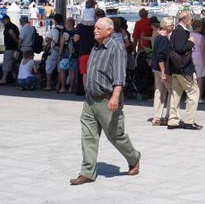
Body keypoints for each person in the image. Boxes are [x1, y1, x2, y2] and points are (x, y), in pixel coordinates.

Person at [70, 18, 141, 185]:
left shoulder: (116, 48)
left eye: (98, 28)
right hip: (90, 100)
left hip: (107, 99)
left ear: (109, 31)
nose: (94, 30)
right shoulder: (95, 46)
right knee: (88, 135)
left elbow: (119, 77)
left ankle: (134, 157)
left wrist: (115, 97)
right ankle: (87, 171)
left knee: (115, 136)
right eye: (94, 27)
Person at [167, 11, 201, 130]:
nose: (192, 22)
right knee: (193, 92)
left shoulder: (175, 31)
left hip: (176, 68)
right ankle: (189, 121)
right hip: (183, 69)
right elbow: (180, 48)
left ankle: (173, 120)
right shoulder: (181, 32)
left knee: (176, 94)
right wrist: (191, 42)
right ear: (186, 20)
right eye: (191, 20)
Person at [150, 17, 174, 126]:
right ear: (166, 26)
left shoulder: (157, 36)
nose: (173, 27)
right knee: (172, 91)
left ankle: (156, 117)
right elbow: (161, 57)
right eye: (171, 25)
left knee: (159, 92)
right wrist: (164, 72)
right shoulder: (164, 39)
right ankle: (169, 116)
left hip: (155, 68)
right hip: (162, 69)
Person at [0, 15, 20, 85]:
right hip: (15, 48)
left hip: (10, 48)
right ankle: (14, 77)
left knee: (7, 62)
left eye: (3, 20)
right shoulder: (14, 26)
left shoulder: (9, 26)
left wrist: (16, 40)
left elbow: (11, 32)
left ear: (6, 19)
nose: (2, 22)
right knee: (14, 63)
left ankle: (4, 78)